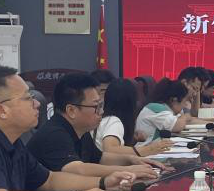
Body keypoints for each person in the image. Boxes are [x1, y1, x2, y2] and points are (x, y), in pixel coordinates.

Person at [0, 66, 135, 191]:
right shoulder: (53, 134)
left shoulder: (15, 145)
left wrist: (103, 182)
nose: (37, 103)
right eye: (28, 98)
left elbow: (50, 180)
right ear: (2, 110)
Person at [27, 73, 160, 181]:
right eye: (96, 107)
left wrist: (131, 160)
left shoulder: (80, 130)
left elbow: (100, 158)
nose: (101, 112)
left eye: (101, 105)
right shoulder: (54, 134)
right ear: (71, 110)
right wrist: (128, 170)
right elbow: (78, 169)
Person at [93, 79, 174, 157]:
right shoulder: (114, 121)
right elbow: (110, 149)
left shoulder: (106, 119)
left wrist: (133, 139)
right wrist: (149, 149)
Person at [135, 78, 194, 143]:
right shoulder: (156, 109)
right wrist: (185, 117)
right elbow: (178, 126)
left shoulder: (166, 109)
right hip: (146, 148)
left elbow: (187, 121)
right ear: (174, 100)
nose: (185, 105)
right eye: (184, 101)